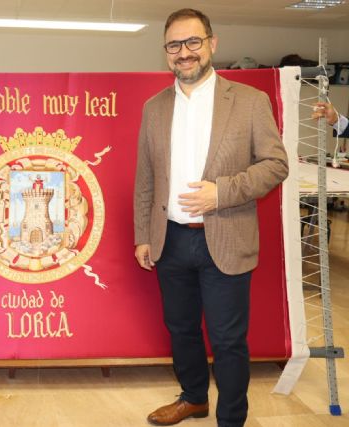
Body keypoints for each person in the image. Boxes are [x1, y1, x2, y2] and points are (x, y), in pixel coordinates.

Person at [133, 8, 288, 427]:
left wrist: (221, 192)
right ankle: (193, 398)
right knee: (181, 328)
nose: (184, 52)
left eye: (193, 42)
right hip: (170, 240)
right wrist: (143, 234)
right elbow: (146, 177)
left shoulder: (250, 102)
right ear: (165, 51)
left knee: (227, 339)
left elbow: (276, 165)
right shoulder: (154, 108)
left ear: (212, 44)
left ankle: (231, 419)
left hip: (226, 238)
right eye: (174, 45)